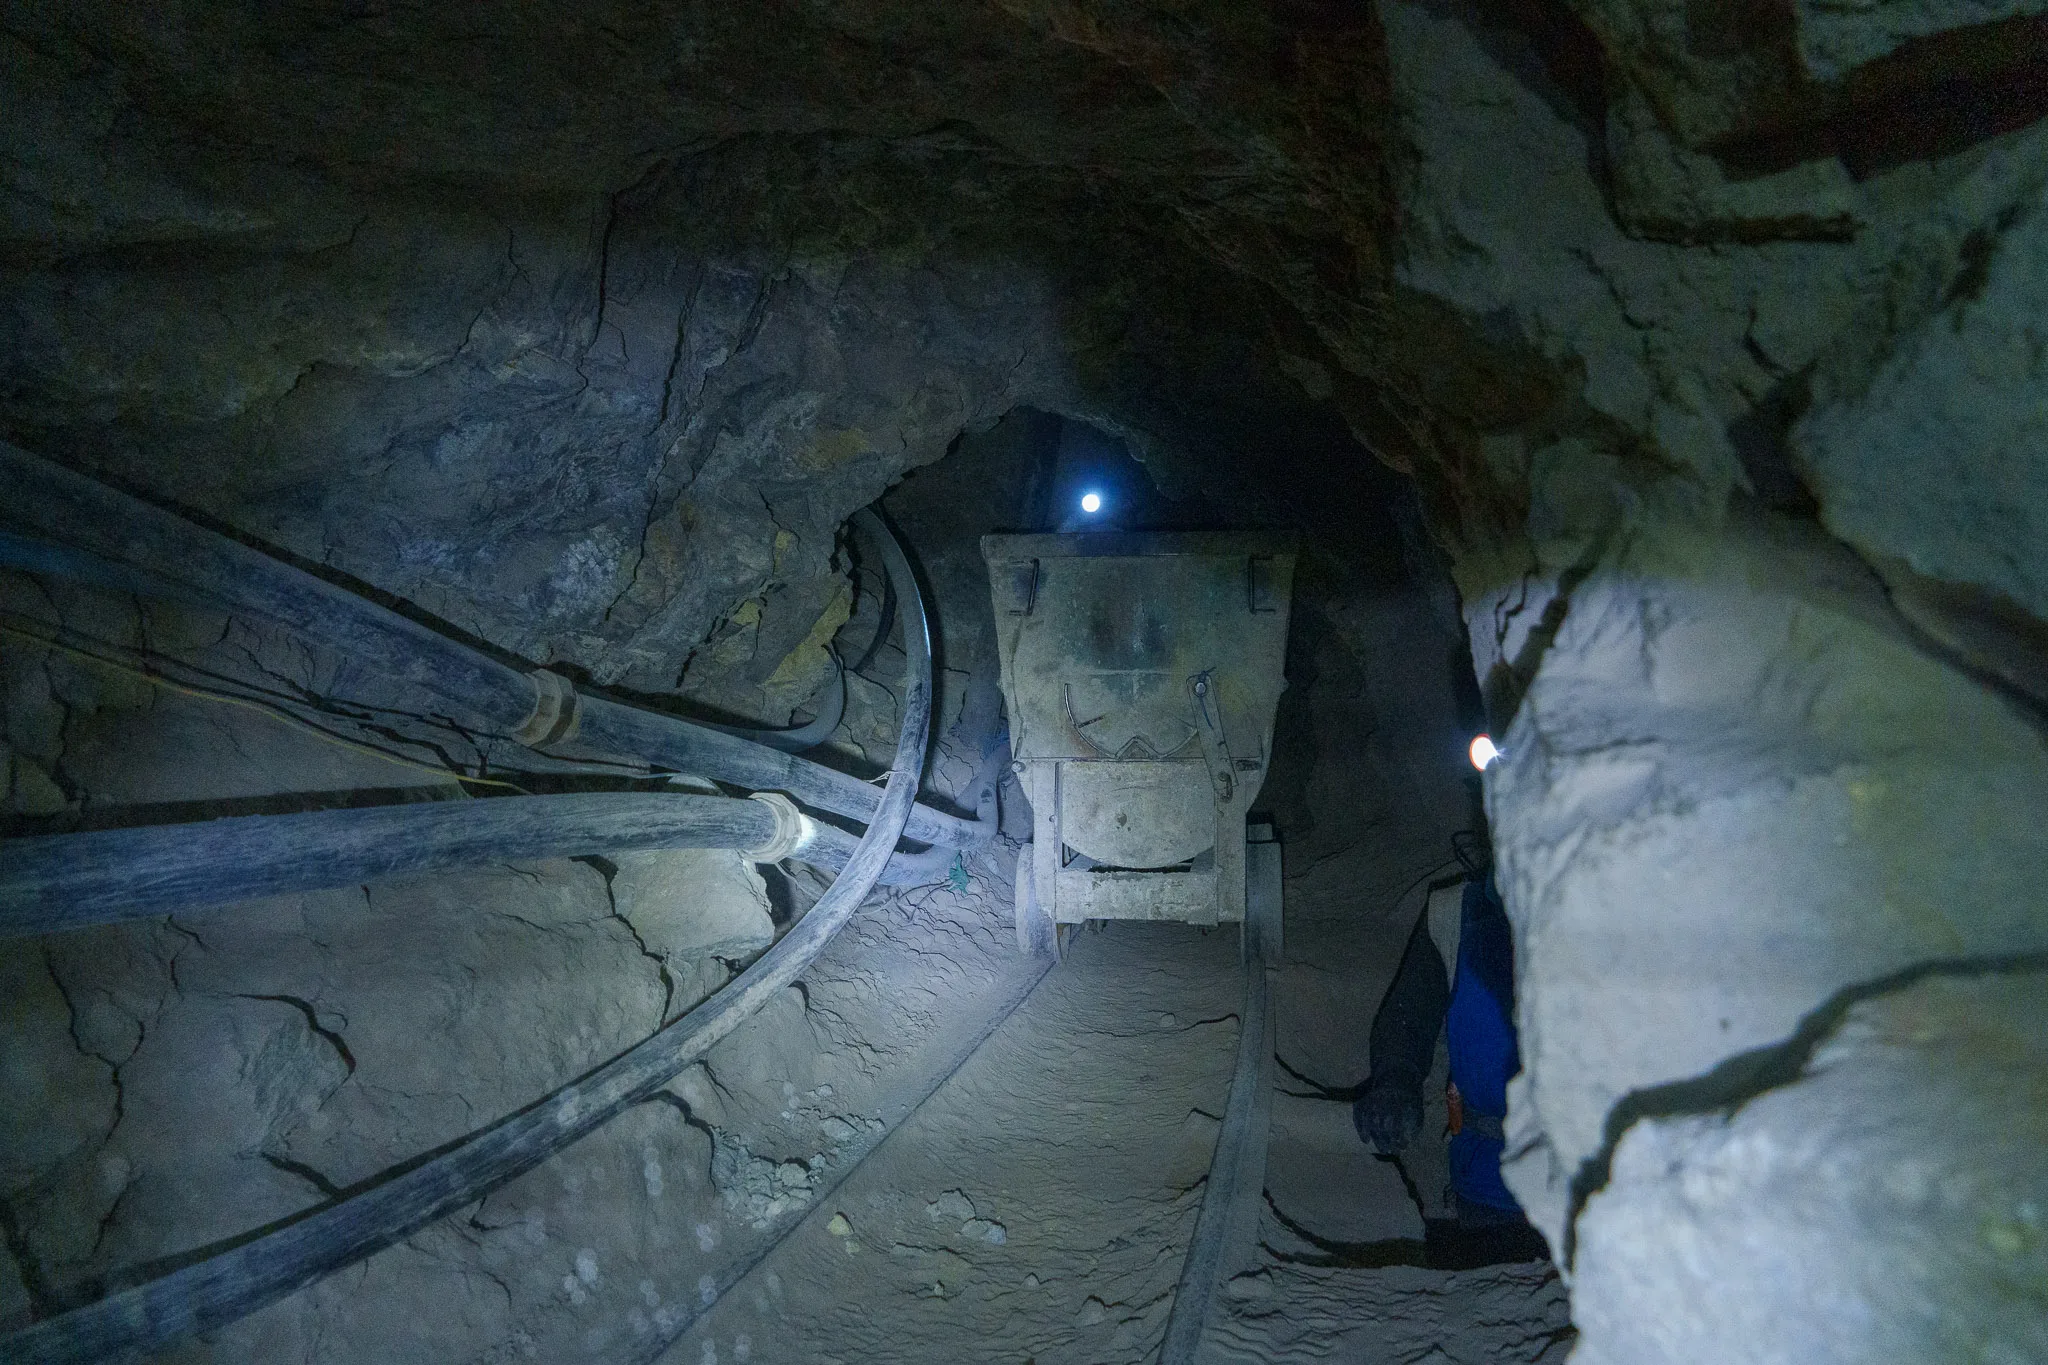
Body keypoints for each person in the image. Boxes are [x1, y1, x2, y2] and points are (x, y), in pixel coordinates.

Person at [1354, 860, 1549, 1266]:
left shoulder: (1618, 911)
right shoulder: (1454, 913)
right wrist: (1395, 1078)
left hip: (1583, 1182)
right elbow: (1408, 1017)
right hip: (1485, 1183)